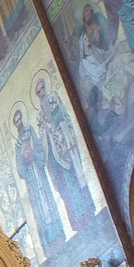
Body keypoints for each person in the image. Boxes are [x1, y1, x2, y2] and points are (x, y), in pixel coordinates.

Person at [35, 79, 96, 231]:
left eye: (43, 89)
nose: (42, 93)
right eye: (39, 92)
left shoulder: (54, 98)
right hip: (54, 156)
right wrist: (46, 133)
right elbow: (42, 134)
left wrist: (56, 126)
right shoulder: (39, 115)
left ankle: (88, 212)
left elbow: (64, 116)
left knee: (75, 178)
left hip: (64, 147)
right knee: (65, 188)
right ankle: (76, 221)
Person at [13, 109, 64, 256]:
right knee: (39, 208)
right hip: (31, 177)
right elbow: (20, 167)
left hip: (38, 170)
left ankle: (59, 233)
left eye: (19, 119)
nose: (19, 123)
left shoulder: (29, 131)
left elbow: (39, 147)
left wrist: (33, 153)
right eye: (16, 121)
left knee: (47, 200)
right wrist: (23, 156)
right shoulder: (17, 144)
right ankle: (49, 244)